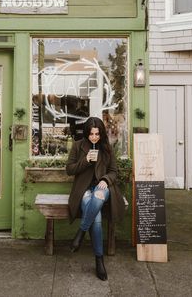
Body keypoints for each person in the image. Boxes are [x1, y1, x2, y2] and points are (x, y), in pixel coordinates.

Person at [66, 117, 125, 281]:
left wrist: (105, 180)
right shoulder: (78, 146)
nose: (94, 137)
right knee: (96, 217)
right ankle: (99, 260)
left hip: (102, 187)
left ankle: (81, 232)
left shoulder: (107, 148)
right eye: (91, 134)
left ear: (101, 133)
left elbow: (114, 171)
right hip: (83, 189)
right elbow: (69, 170)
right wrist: (85, 161)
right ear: (86, 133)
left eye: (97, 134)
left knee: (98, 196)